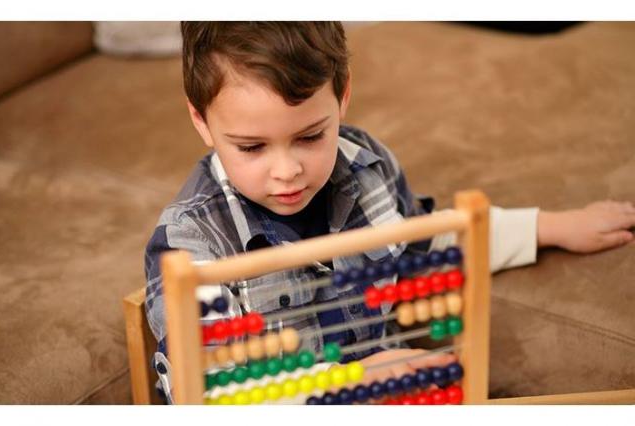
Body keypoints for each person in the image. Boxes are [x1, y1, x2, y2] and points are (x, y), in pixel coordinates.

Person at [144, 22, 635, 403]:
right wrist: (356, 379)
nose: (287, 170)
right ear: (201, 121)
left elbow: (427, 242)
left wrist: (550, 227)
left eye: (311, 136)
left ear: (343, 95)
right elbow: (212, 387)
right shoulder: (189, 247)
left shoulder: (365, 168)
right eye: (252, 147)